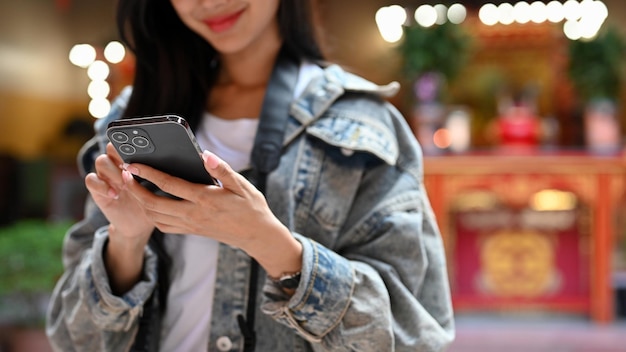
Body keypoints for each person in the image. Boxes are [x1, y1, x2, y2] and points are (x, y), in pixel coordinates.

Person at [46, 0, 455, 351]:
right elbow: (72, 336)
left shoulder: (365, 124)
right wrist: (127, 241)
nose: (209, 2)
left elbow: (411, 334)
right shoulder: (132, 116)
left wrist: (270, 244)